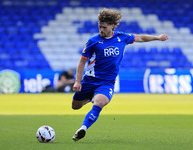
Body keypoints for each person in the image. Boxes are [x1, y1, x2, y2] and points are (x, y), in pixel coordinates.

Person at [71, 8, 169, 142]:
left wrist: (157, 37)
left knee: (101, 102)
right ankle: (90, 98)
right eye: (99, 26)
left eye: (104, 27)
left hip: (107, 82)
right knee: (75, 106)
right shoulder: (93, 41)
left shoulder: (122, 37)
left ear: (112, 26)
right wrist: (77, 81)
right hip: (90, 80)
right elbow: (82, 61)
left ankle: (82, 128)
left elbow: (140, 37)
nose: (101, 30)